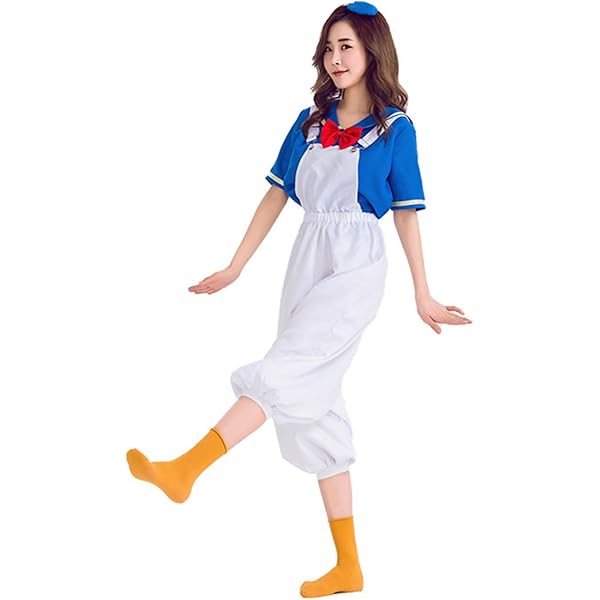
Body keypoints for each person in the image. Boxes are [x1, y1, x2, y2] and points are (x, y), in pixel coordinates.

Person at [126, 2, 472, 597]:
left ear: (373, 52)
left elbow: (407, 212)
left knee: (287, 367)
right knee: (317, 406)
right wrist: (235, 266)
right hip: (307, 254)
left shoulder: (396, 128)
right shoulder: (309, 122)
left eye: (347, 47)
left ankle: (187, 468)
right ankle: (348, 566)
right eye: (329, 48)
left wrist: (423, 291)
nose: (336, 58)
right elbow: (275, 195)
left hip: (357, 263)